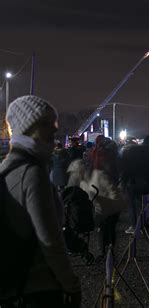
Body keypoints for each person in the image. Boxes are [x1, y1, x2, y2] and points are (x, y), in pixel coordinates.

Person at [0, 95, 81, 307]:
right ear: (26, 127)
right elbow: (50, 240)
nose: (54, 132)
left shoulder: (6, 169)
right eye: (47, 125)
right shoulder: (32, 173)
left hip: (13, 285)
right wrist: (71, 284)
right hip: (38, 289)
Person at [82, 137, 125, 257]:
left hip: (100, 196)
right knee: (110, 226)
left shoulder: (96, 163)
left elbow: (88, 181)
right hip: (109, 196)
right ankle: (109, 250)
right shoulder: (114, 159)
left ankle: (104, 252)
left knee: (101, 226)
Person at [119, 135, 149, 234]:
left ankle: (134, 226)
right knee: (143, 204)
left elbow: (124, 170)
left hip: (132, 183)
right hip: (146, 183)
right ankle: (144, 223)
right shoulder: (144, 154)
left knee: (131, 205)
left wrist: (122, 183)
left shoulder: (126, 154)